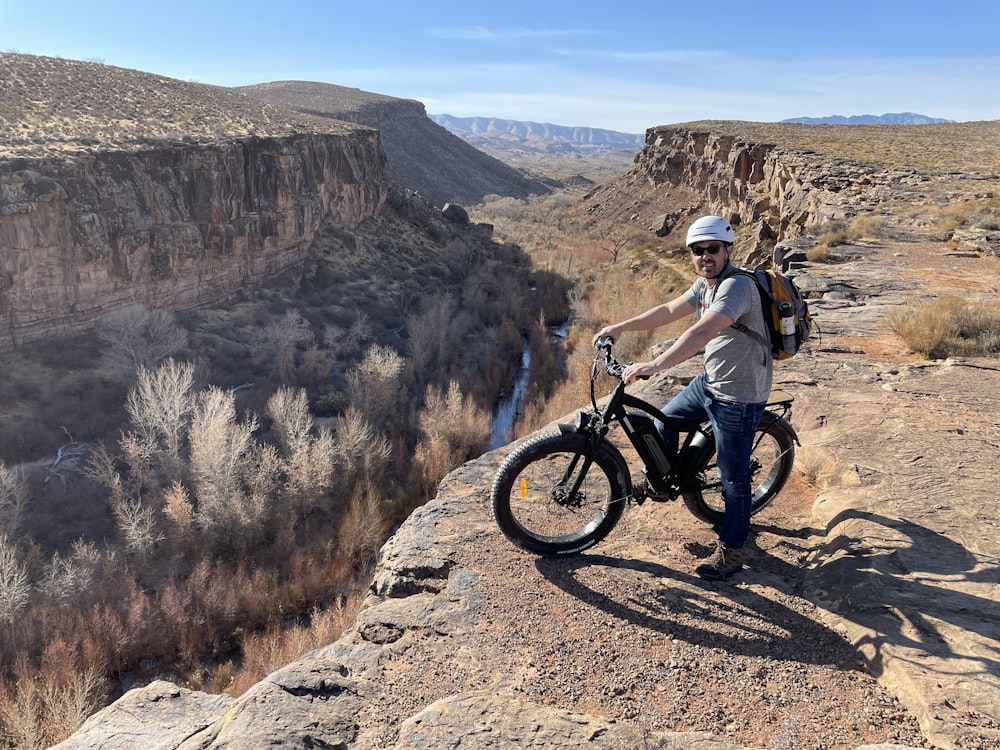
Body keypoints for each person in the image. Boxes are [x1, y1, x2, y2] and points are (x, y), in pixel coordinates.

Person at [591, 215, 773, 580]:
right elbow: (669, 311)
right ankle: (664, 479)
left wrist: (655, 364)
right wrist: (619, 327)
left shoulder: (736, 287)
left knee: (734, 478)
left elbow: (704, 329)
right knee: (663, 422)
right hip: (710, 382)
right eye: (697, 250)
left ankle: (732, 548)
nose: (705, 256)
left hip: (739, 395)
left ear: (728, 250)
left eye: (712, 249)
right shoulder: (706, 284)